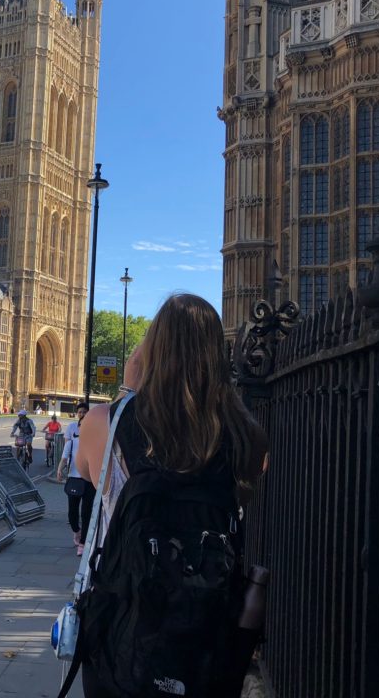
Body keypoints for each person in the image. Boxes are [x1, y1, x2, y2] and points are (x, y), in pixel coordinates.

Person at [74, 293, 267, 697]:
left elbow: (89, 475)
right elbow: (247, 488)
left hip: (122, 628)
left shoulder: (103, 422)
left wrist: (130, 387)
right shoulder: (246, 436)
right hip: (207, 632)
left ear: (153, 351)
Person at [57, 402, 91, 556]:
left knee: (86, 513)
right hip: (74, 478)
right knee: (72, 513)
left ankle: (83, 543)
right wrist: (59, 470)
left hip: (90, 481)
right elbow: (64, 457)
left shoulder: (94, 443)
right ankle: (76, 531)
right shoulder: (71, 442)